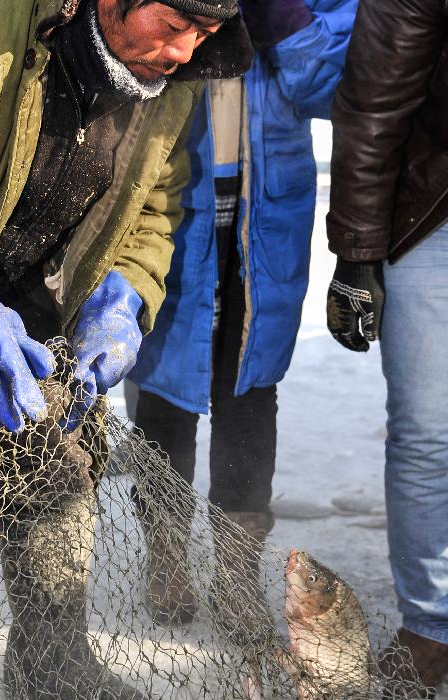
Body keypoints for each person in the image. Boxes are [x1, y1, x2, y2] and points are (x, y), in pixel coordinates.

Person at [0, 0, 253, 700]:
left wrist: (125, 296)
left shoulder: (169, 80)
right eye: (173, 23)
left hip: (44, 301)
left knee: (58, 473)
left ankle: (52, 662)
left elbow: (155, 205)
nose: (182, 52)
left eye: (205, 33)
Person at [127, 0, 357, 625]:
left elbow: (333, 88)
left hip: (265, 223)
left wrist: (282, 15)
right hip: (166, 212)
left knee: (250, 389)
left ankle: (235, 570)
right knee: (163, 387)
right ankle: (166, 555)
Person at [326, 0, 448, 692]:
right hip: (436, 212)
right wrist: (356, 253)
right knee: (427, 433)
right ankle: (430, 631)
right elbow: (374, 99)